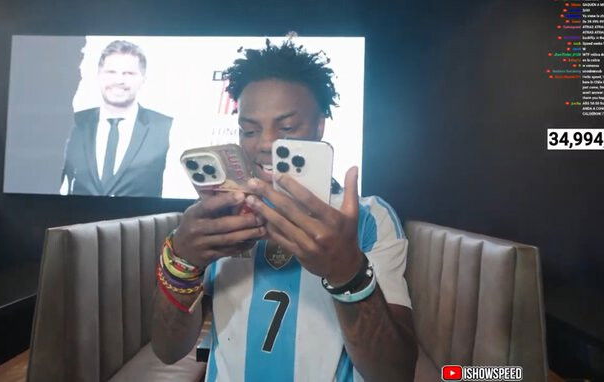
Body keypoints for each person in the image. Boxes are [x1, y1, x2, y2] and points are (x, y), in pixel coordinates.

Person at [151, 39, 417, 381]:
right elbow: (168, 351)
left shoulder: (368, 218)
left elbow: (395, 373)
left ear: (319, 126)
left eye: (287, 127)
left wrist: (347, 271)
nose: (264, 143)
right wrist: (182, 264)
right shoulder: (216, 219)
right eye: (249, 130)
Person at [60, 40, 172, 197]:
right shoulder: (71, 124)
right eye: (111, 72)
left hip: (139, 221)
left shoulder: (166, 127)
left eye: (129, 73)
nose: (119, 80)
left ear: (143, 79)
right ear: (99, 75)